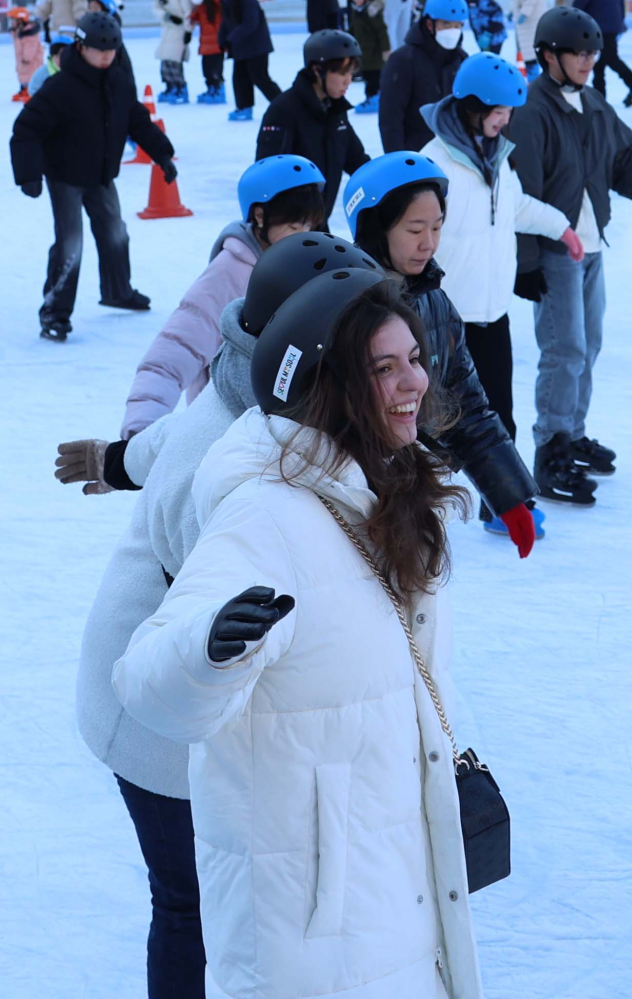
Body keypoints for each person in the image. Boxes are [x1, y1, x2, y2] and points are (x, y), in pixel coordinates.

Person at [111, 270, 486, 999]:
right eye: (384, 367)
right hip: (308, 917)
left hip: (397, 876)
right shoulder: (266, 516)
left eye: (415, 357)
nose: (414, 380)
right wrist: (208, 649)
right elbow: (146, 680)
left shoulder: (393, 494)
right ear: (332, 388)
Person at [506, 7, 632, 503]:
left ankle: (572, 432)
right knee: (565, 349)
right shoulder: (531, 110)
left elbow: (622, 157)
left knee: (589, 343)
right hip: (555, 251)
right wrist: (526, 261)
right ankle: (550, 447)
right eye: (579, 53)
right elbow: (522, 191)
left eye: (592, 52)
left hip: (592, 242)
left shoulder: (594, 103)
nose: (589, 61)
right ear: (549, 55)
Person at [343, 153, 540, 543]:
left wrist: (509, 496)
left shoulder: (435, 303)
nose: (429, 243)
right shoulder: (345, 309)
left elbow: (465, 407)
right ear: (374, 228)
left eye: (437, 227)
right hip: (351, 496)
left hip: (408, 494)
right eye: (415, 229)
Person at [420, 52, 581, 464]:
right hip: (445, 319)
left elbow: (516, 206)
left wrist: (560, 226)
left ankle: (503, 504)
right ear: (472, 107)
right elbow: (409, 233)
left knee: (498, 418)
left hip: (492, 313)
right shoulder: (434, 165)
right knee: (433, 424)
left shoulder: (495, 158)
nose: (505, 120)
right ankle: (421, 510)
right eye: (499, 111)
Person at [122, 155, 327, 438]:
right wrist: (138, 435)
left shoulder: (307, 264)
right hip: (226, 437)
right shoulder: (229, 274)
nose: (303, 236)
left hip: (286, 434)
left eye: (310, 226)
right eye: (293, 227)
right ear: (259, 216)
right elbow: (173, 352)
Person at [11, 10, 177, 342]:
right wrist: (28, 174)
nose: (105, 56)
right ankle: (55, 313)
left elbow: (137, 120)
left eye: (111, 50)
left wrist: (162, 153)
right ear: (81, 46)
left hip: (101, 175)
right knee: (70, 244)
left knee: (116, 233)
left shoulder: (117, 81)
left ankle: (118, 291)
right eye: (99, 50)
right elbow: (25, 130)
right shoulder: (60, 88)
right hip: (65, 177)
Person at [256, 28, 369, 219]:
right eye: (342, 73)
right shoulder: (283, 111)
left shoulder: (335, 112)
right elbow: (267, 177)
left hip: (319, 223)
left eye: (351, 73)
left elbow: (357, 161)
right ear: (318, 70)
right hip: (288, 227)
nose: (348, 81)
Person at [379, 0, 469, 152]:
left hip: (455, 155)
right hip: (417, 156)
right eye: (446, 24)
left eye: (458, 25)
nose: (453, 31)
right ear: (429, 24)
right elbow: (390, 119)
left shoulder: (462, 60)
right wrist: (400, 162)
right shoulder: (402, 61)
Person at [216, 0, 280, 121]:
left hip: (256, 46)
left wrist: (231, 38)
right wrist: (222, 38)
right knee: (240, 78)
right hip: (241, 46)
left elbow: (250, 23)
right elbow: (226, 21)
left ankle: (284, 106)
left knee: (261, 78)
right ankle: (244, 108)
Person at [150, 0, 192, 104]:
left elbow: (188, 11)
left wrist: (188, 31)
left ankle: (180, 88)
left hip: (180, 29)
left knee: (174, 60)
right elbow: (155, 7)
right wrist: (166, 16)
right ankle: (169, 86)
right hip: (168, 28)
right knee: (165, 59)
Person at [346, 0, 390, 112]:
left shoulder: (372, 13)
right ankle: (371, 98)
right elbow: (354, 29)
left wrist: (386, 50)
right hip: (363, 53)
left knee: (374, 79)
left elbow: (382, 32)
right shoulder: (357, 11)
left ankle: (375, 100)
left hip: (374, 55)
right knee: (366, 77)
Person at [186, 0, 224, 103]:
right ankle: (211, 89)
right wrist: (194, 17)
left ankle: (219, 90)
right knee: (206, 67)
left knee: (215, 67)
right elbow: (201, 11)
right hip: (206, 37)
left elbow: (221, 5)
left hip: (216, 36)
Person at [8, 5, 43, 101]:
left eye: (13, 21)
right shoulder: (19, 33)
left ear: (20, 21)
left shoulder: (30, 34)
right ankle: (23, 89)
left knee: (30, 75)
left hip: (31, 61)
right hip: (22, 61)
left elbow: (31, 47)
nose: (12, 23)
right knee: (22, 74)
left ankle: (30, 91)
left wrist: (27, 57)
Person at [28, 29, 73, 96]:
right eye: (57, 55)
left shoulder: (77, 72)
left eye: (65, 55)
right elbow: (33, 91)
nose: (61, 59)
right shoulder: (42, 74)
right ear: (52, 56)